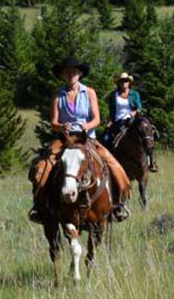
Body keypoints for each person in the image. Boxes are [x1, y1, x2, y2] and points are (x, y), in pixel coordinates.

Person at [29, 57, 132, 222]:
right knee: (42, 168)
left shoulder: (89, 92)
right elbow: (53, 122)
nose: (71, 75)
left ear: (80, 74)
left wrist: (87, 125)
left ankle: (117, 205)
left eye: (74, 72)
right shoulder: (58, 95)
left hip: (87, 139)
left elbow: (97, 118)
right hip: (64, 140)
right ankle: (40, 206)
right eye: (67, 72)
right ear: (62, 75)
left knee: (115, 167)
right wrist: (61, 127)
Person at [103, 72, 156, 172]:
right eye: (122, 81)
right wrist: (109, 120)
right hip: (117, 121)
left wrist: (134, 112)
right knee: (106, 138)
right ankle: (107, 162)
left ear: (129, 83)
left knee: (147, 134)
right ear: (118, 83)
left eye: (126, 81)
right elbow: (111, 110)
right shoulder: (114, 95)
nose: (124, 83)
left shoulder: (134, 94)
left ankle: (151, 161)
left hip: (131, 120)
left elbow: (139, 107)